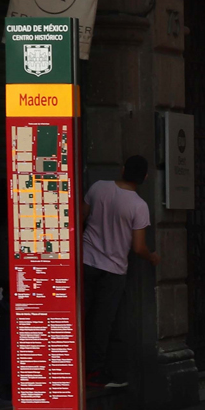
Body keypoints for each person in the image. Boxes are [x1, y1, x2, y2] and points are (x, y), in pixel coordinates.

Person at [81, 156, 158, 387]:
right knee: (102, 323)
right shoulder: (139, 206)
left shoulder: (98, 188)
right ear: (145, 177)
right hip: (113, 270)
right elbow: (138, 247)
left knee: (79, 315)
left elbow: (79, 218)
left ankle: (69, 367)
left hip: (85, 261)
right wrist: (152, 257)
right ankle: (94, 372)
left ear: (123, 169)